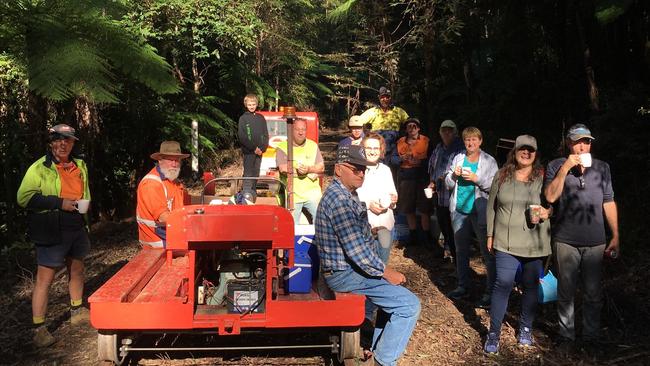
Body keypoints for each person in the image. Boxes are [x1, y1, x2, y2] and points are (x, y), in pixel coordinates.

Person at [315, 145, 420, 366]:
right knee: (409, 305)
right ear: (338, 169)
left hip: (346, 269)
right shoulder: (340, 200)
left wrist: (369, 231)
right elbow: (357, 252)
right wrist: (386, 271)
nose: (361, 173)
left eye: (363, 169)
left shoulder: (346, 194)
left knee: (395, 299)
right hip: (345, 274)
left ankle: (376, 351)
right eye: (355, 169)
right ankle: (382, 361)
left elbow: (350, 238)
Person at [544, 123, 619, 354]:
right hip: (565, 240)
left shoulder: (602, 168)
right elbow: (550, 197)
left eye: (586, 141)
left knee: (593, 292)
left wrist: (615, 235)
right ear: (569, 143)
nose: (582, 146)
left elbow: (608, 201)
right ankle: (566, 336)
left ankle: (591, 337)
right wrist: (566, 167)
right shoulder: (556, 165)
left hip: (595, 241)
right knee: (566, 291)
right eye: (578, 141)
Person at [17, 124, 91, 348]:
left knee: (77, 269)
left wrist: (84, 208)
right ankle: (39, 328)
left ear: (73, 143)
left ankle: (76, 310)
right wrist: (59, 203)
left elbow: (85, 192)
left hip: (76, 225)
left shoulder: (80, 165)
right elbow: (24, 198)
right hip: (51, 226)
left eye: (67, 140)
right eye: (58, 139)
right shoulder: (39, 167)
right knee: (44, 279)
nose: (63, 144)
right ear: (51, 143)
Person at [483, 135, 552, 354]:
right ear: (514, 151)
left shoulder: (543, 177)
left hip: (534, 243)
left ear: (536, 154)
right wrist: (490, 234)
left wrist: (547, 212)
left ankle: (525, 328)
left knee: (530, 285)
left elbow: (556, 202)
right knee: (502, 283)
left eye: (530, 150)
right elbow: (492, 206)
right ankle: (493, 333)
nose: (526, 153)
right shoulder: (502, 175)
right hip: (505, 241)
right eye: (522, 149)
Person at [445, 126, 498, 308]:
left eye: (474, 139)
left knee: (487, 253)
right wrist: (453, 175)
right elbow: (447, 183)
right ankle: (463, 286)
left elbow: (494, 187)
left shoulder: (489, 161)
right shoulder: (458, 158)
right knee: (461, 251)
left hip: (480, 212)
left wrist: (477, 179)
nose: (471, 143)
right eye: (467, 140)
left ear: (480, 141)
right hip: (459, 210)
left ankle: (491, 292)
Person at [136, 141, 189, 248]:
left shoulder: (175, 182)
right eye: (170, 160)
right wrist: (193, 223)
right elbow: (164, 218)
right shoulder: (151, 183)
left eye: (177, 160)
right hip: (159, 244)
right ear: (160, 160)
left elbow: (184, 209)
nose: (174, 164)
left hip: (171, 237)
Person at [356, 132, 398, 264]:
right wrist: (369, 204)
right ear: (362, 149)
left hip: (385, 224)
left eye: (376, 148)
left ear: (381, 151)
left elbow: (393, 192)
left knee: (382, 264)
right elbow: (351, 197)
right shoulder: (357, 170)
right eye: (369, 148)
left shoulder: (385, 170)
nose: (372, 152)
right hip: (364, 226)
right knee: (366, 264)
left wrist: (393, 199)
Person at [276, 119, 324, 223]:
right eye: (297, 129)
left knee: (321, 222)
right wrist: (300, 172)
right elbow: (283, 169)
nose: (301, 132)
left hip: (313, 194)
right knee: (292, 226)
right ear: (292, 130)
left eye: (303, 129)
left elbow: (321, 167)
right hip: (293, 195)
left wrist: (308, 169)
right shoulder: (282, 147)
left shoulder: (313, 145)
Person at [427, 120, 464, 259]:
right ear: (440, 132)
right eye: (444, 130)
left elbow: (459, 168)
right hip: (439, 192)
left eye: (450, 130)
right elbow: (432, 166)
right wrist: (432, 182)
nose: (447, 133)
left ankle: (456, 255)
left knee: (453, 225)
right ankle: (448, 251)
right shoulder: (439, 147)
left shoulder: (460, 148)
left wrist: (446, 176)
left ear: (455, 132)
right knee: (443, 222)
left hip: (453, 193)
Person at [396, 118, 431, 246]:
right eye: (409, 126)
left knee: (424, 209)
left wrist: (421, 163)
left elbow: (432, 160)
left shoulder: (426, 141)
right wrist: (400, 159)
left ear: (418, 128)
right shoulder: (400, 142)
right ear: (406, 129)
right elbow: (393, 159)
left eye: (414, 126)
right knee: (408, 208)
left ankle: (426, 237)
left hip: (422, 178)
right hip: (406, 178)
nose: (412, 128)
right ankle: (413, 236)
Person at [238, 93, 269, 201]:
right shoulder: (243, 119)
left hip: (259, 152)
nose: (251, 106)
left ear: (257, 104)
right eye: (249, 104)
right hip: (249, 152)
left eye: (253, 104)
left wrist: (262, 148)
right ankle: (246, 195)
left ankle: (253, 193)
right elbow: (242, 137)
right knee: (248, 173)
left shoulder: (261, 118)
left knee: (256, 172)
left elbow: (265, 135)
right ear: (246, 105)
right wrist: (254, 148)